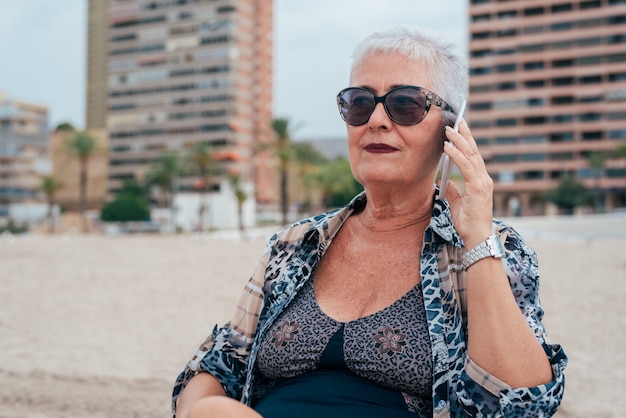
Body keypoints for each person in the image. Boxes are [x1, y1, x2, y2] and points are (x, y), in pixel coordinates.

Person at [172, 25, 567, 417]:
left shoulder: (490, 248)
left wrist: (478, 240)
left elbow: (525, 406)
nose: (376, 119)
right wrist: (201, 409)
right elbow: (220, 361)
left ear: (452, 128)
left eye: (406, 103)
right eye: (359, 102)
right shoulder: (295, 243)